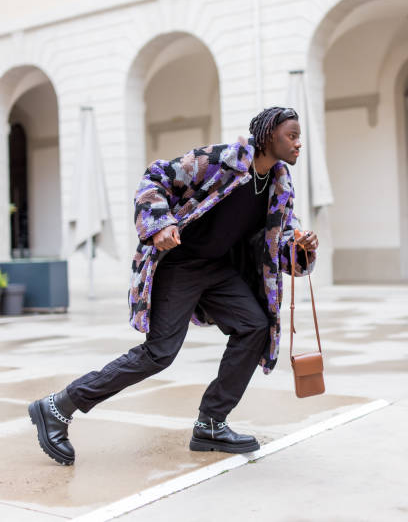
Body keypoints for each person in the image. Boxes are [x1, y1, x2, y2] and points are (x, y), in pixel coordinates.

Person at [28, 106, 318, 466]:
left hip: (218, 269)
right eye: (292, 135)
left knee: (254, 326)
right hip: (179, 264)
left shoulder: (279, 185)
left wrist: (299, 247)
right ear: (268, 135)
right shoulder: (221, 160)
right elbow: (156, 177)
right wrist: (161, 223)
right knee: (159, 353)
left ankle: (211, 423)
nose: (298, 143)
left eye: (298, 136)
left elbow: (279, 237)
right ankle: (58, 406)